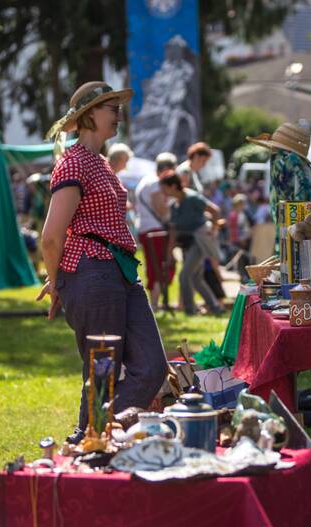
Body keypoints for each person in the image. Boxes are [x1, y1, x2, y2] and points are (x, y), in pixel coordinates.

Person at [37, 81, 168, 444]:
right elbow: (50, 236)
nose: (118, 113)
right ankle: (90, 442)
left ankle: (92, 435)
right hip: (92, 272)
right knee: (102, 372)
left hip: (120, 271)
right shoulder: (73, 162)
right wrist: (57, 280)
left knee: (152, 367)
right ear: (90, 115)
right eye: (111, 107)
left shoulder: (100, 162)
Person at [160, 170, 224, 315]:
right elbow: (173, 232)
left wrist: (214, 229)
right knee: (196, 278)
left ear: (173, 186)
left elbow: (214, 210)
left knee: (184, 275)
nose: (162, 190)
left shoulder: (192, 197)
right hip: (189, 243)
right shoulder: (174, 205)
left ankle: (190, 311)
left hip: (201, 240)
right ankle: (216, 307)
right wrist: (169, 255)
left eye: (164, 187)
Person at [135, 152, 178, 309]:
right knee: (161, 267)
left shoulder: (148, 180)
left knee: (157, 267)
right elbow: (161, 210)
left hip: (149, 229)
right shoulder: (155, 183)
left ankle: (155, 304)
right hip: (155, 230)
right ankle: (154, 304)